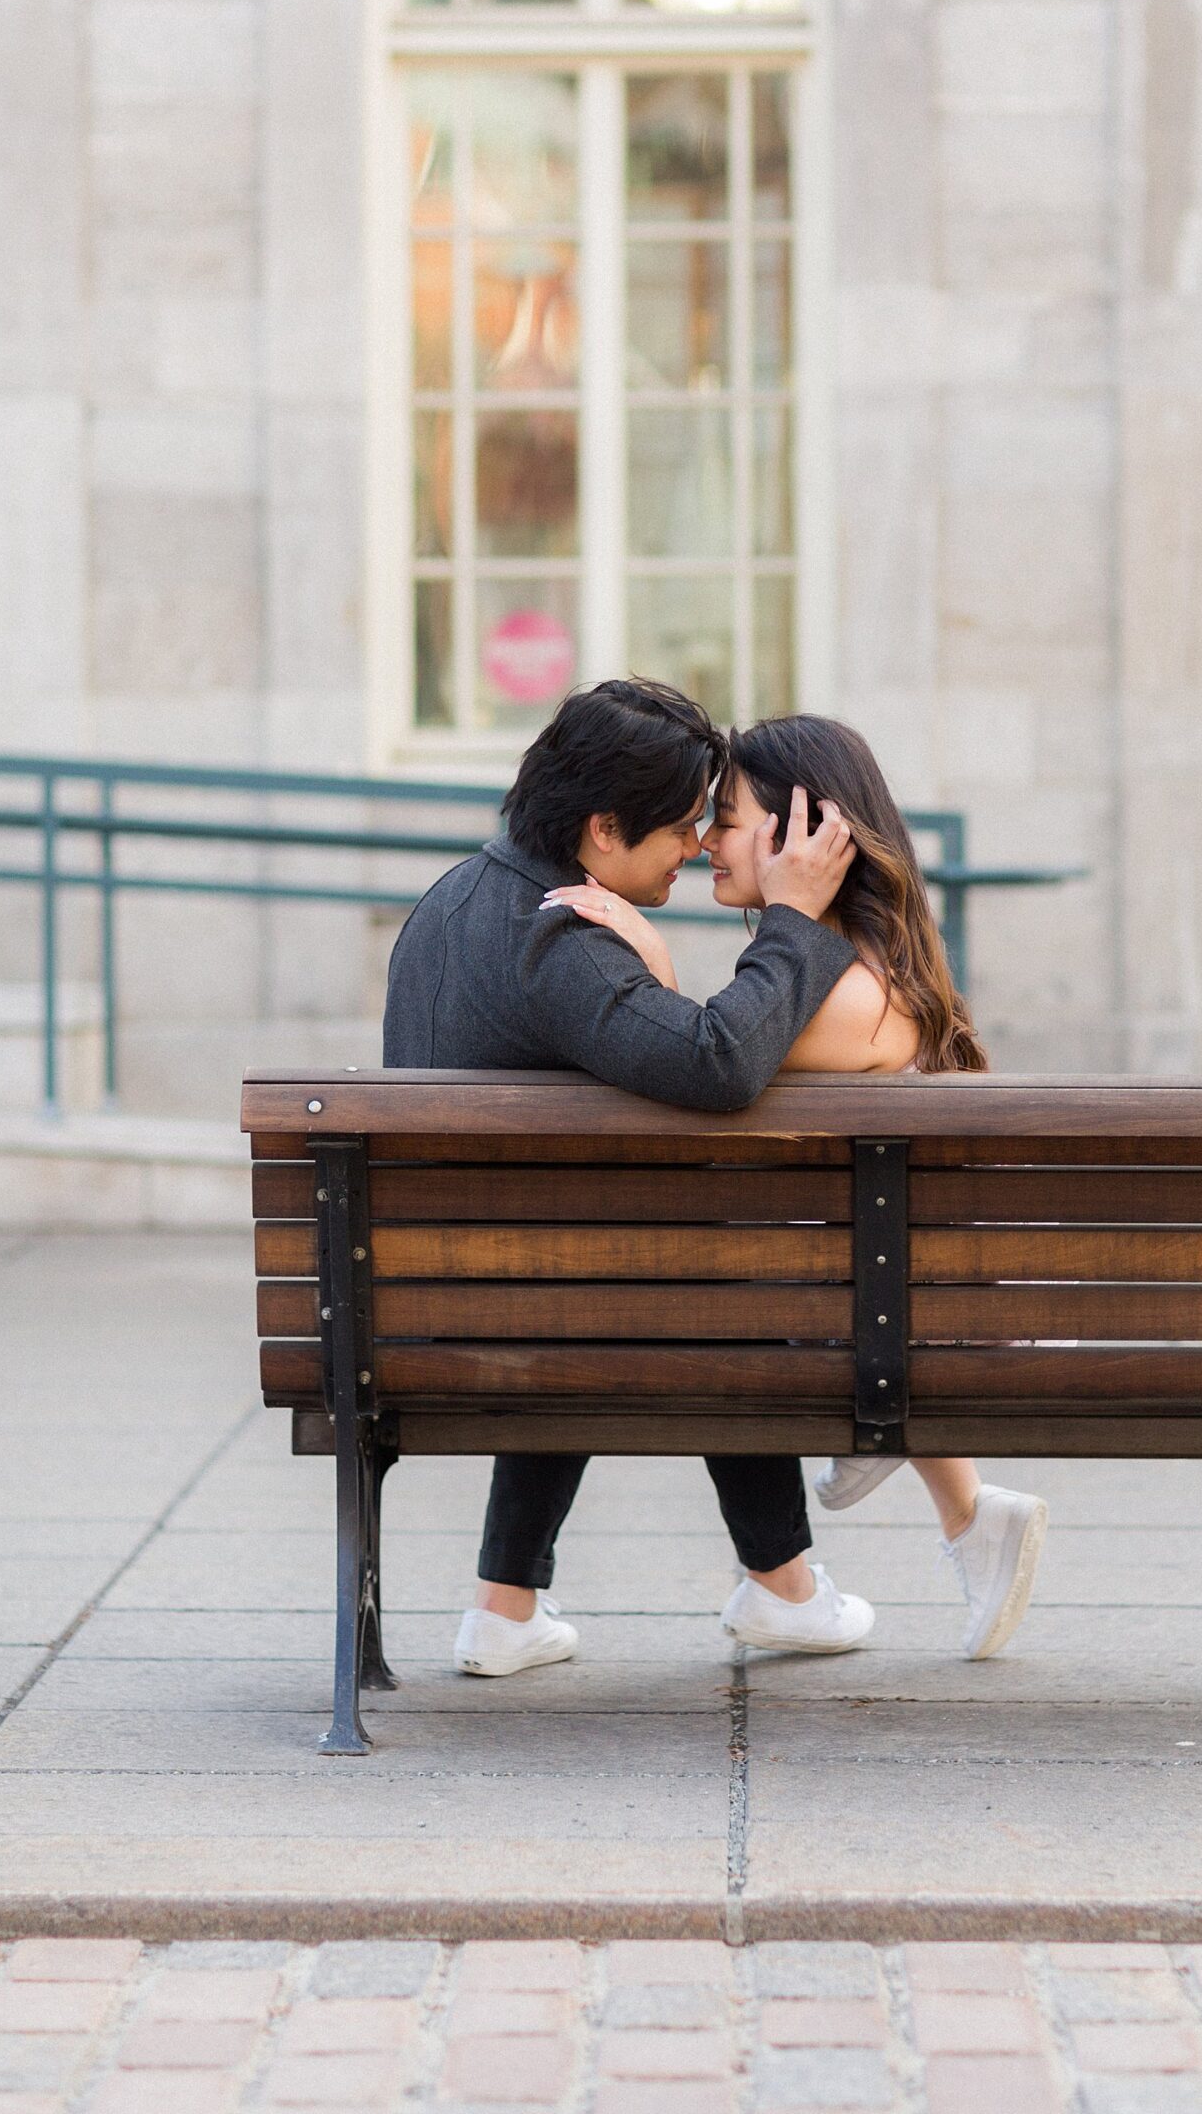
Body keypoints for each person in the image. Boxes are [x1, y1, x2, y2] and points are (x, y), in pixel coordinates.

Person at [381, 677, 877, 1678]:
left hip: (431, 1300)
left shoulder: (454, 900)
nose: (697, 845)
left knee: (623, 1268)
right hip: (506, 1316)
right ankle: (784, 1587)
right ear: (602, 830)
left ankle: (508, 1605)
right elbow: (719, 1063)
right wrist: (795, 919)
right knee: (711, 1288)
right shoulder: (556, 935)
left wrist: (648, 974)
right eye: (683, 826)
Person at [544, 710, 1049, 1662]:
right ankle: (944, 1512)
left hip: (859, 1314)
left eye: (724, 819)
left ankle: (845, 1507)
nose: (701, 846)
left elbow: (705, 1071)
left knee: (650, 1304)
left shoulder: (841, 1000)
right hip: (883, 1284)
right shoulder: (873, 969)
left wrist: (645, 966)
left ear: (802, 836)